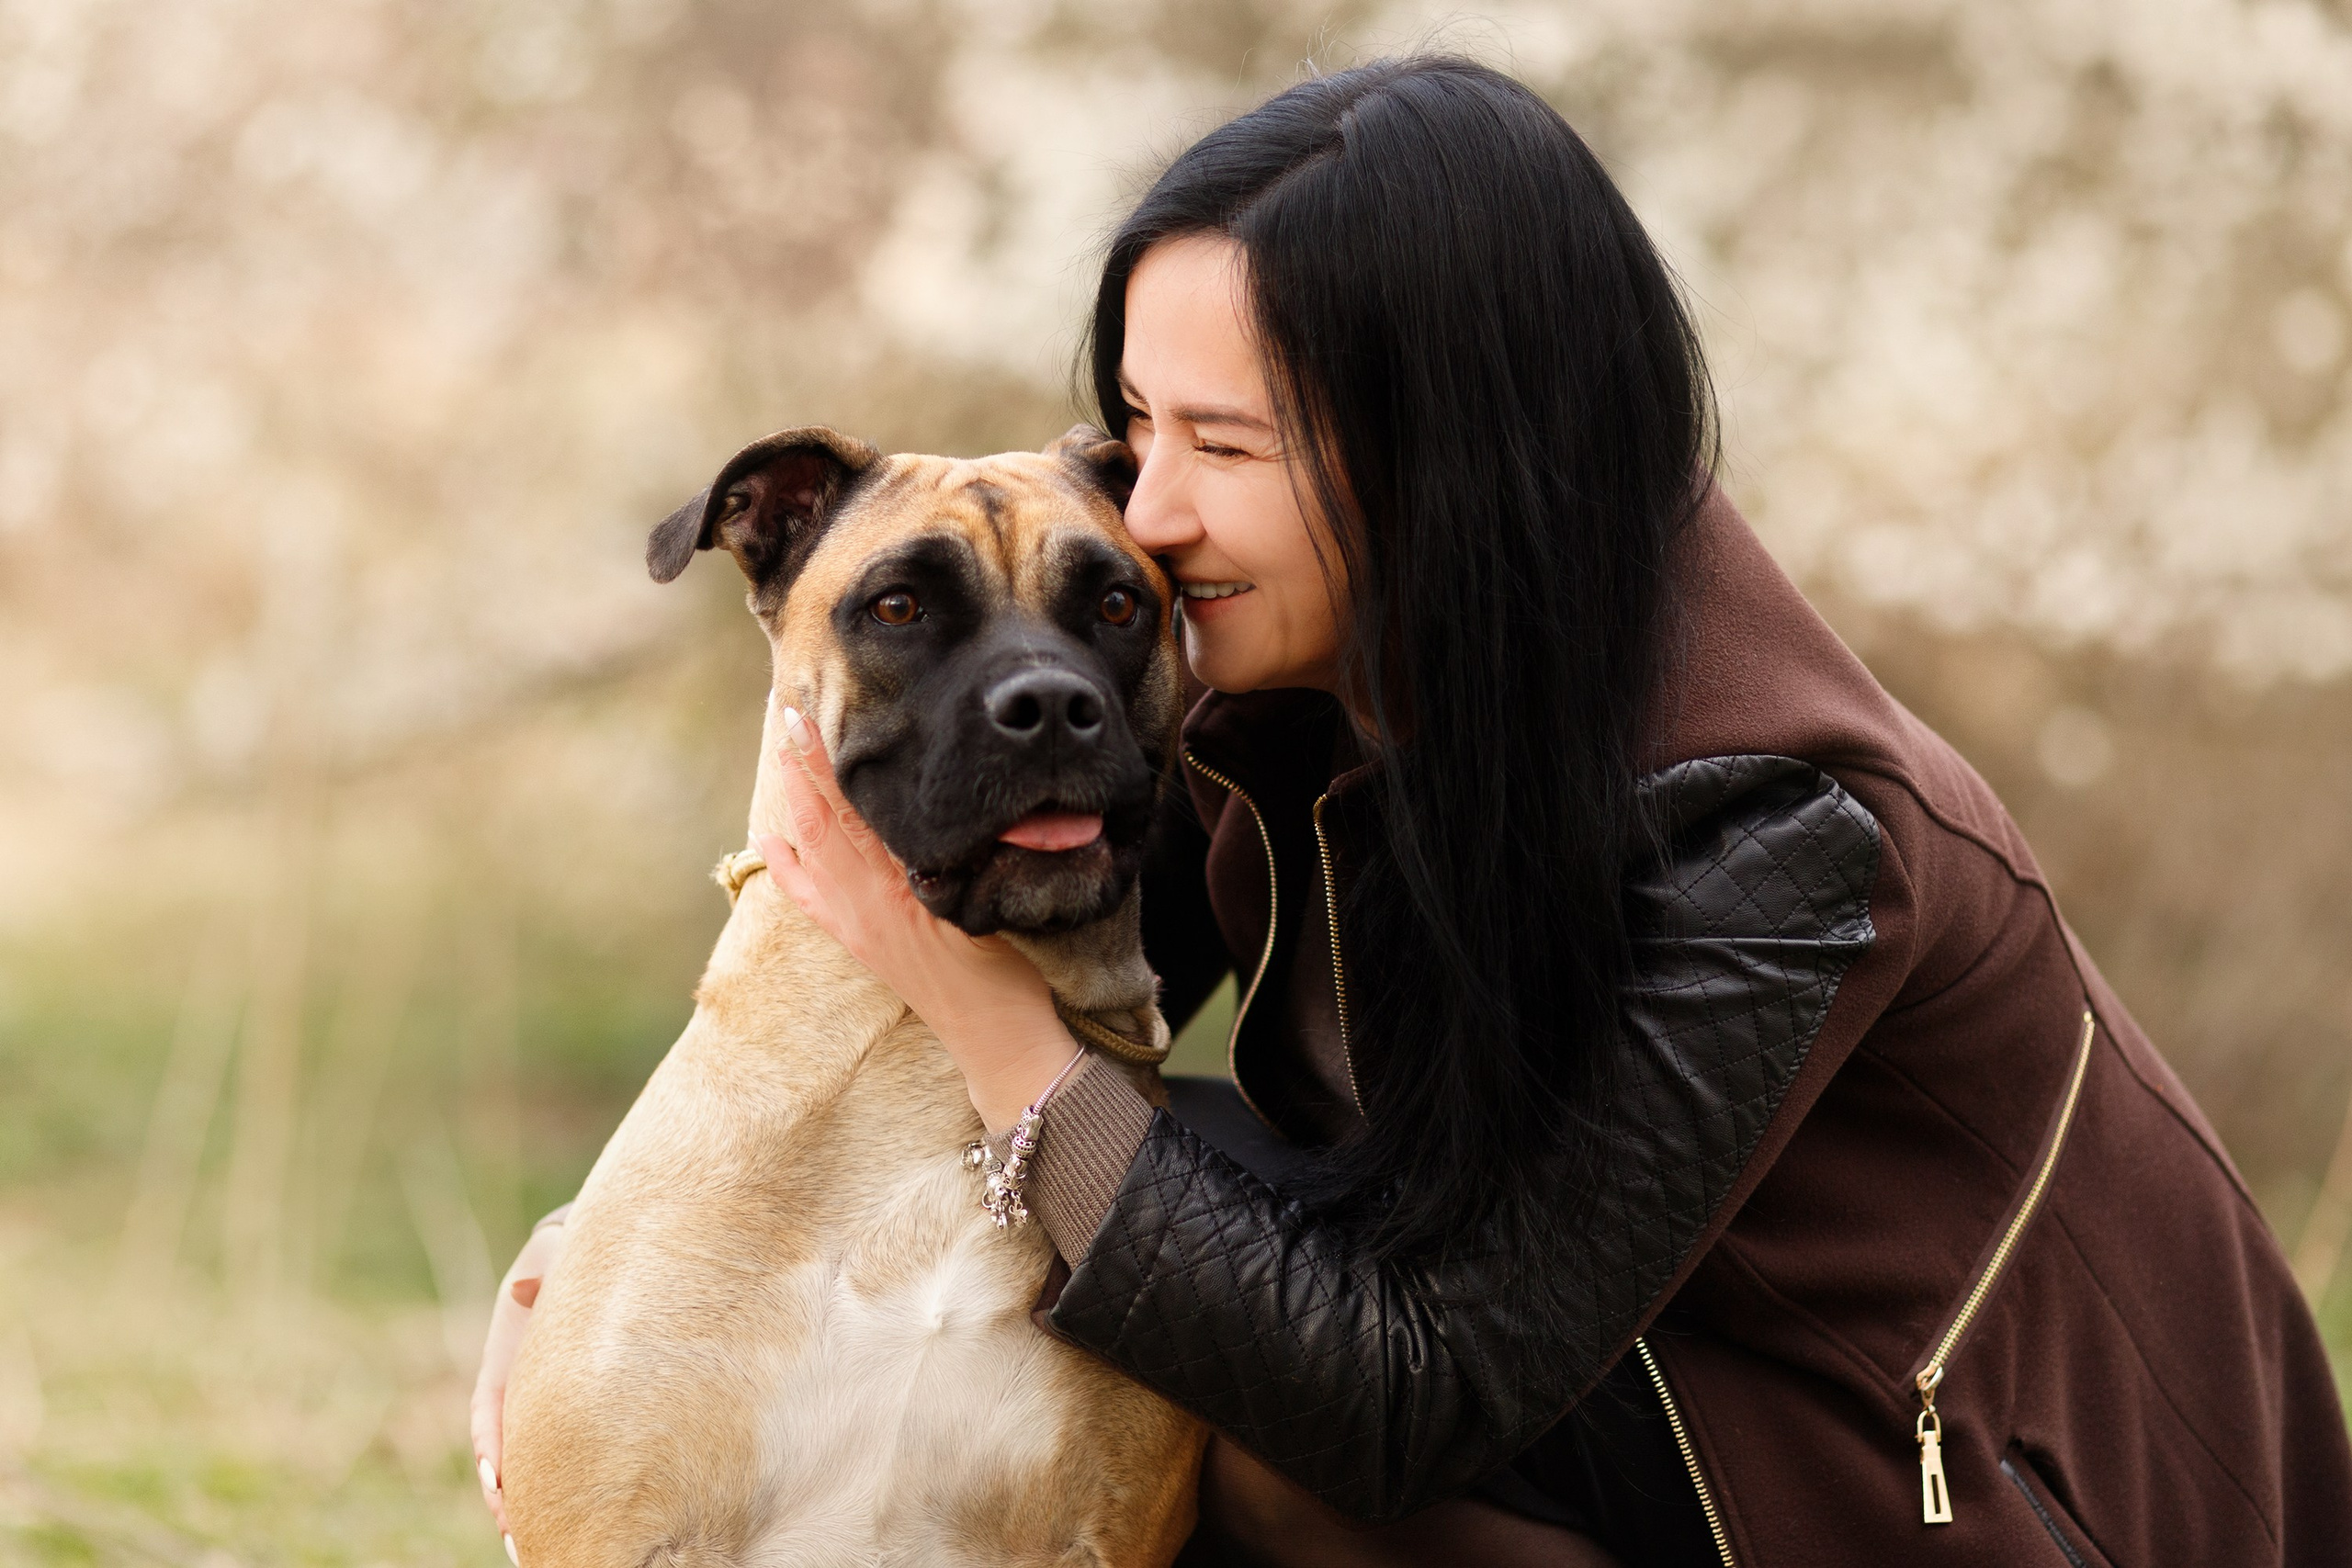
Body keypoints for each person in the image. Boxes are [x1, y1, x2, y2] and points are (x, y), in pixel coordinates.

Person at [473, 57, 2352, 1566]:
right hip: (1597, 1405)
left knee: (1203, 1320)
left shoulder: (1783, 824)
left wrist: (965, 1006)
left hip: (1946, 1501)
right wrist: (628, 1262)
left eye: (1223, 442)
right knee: (1130, 1211)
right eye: (1137, 424)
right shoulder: (1273, 670)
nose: (1154, 502)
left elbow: (1397, 1383)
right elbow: (962, 1016)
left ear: (1456, 453)